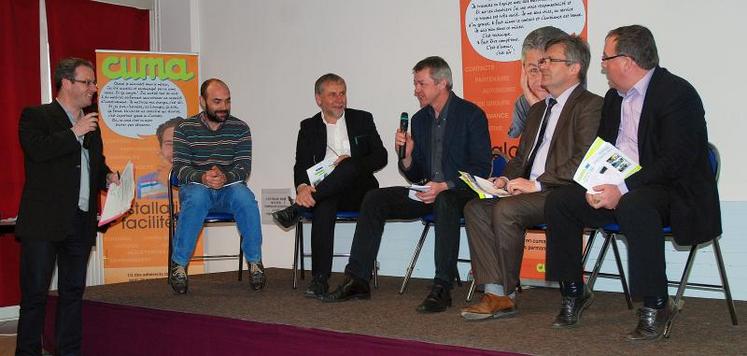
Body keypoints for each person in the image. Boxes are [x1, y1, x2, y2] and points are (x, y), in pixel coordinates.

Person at [544, 25, 721, 340]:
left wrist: (621, 189)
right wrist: (593, 183)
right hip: (622, 189)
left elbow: (674, 161)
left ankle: (656, 303)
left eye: (606, 58)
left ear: (626, 60)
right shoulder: (614, 97)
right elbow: (604, 147)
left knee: (635, 205)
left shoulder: (677, 94)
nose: (602, 65)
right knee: (561, 201)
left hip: (672, 191)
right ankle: (574, 290)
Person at [322, 56, 492, 313]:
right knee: (375, 198)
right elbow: (416, 175)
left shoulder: (471, 115)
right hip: (428, 191)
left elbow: (481, 169)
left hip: (460, 193)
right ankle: (357, 278)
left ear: (442, 83)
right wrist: (409, 156)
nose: (416, 90)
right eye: (415, 84)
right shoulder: (420, 119)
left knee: (445, 201)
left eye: (421, 84)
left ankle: (442, 287)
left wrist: (444, 185)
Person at [461, 35, 602, 321]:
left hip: (559, 192)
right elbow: (521, 159)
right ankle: (494, 291)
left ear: (574, 68)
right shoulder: (538, 110)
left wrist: (537, 184)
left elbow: (585, 160)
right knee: (475, 208)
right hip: (527, 190)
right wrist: (503, 180)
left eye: (550, 60)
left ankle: (507, 295)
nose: (543, 66)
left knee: (506, 210)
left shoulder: (590, 105)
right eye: (541, 61)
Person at [15, 57, 120, 355]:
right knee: (35, 296)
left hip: (80, 220)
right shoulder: (36, 116)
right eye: (87, 82)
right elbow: (38, 152)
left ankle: (69, 352)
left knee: (72, 293)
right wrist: (74, 133)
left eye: (94, 82)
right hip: (44, 222)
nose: (94, 88)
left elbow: (92, 165)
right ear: (66, 83)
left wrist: (109, 177)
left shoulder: (92, 123)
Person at [271, 73, 387, 298]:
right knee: (324, 203)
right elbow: (301, 164)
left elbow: (381, 157)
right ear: (318, 99)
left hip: (360, 191)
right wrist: (303, 187)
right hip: (325, 192)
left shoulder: (362, 119)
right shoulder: (308, 126)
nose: (339, 99)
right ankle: (320, 279)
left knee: (348, 165)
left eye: (342, 93)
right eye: (332, 94)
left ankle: (297, 209)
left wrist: (352, 163)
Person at [169, 78, 265, 294]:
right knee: (198, 197)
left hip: (227, 188)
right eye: (217, 101)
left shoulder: (240, 128)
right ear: (202, 101)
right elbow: (180, 169)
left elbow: (243, 168)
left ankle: (255, 262)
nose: (224, 107)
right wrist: (203, 177)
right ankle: (179, 265)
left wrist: (224, 177)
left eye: (228, 101)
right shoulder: (185, 128)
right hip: (196, 188)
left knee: (245, 198)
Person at [507, 26, 568, 138]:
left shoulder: (587, 108)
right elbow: (513, 141)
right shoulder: (523, 103)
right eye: (534, 70)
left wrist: (539, 111)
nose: (541, 81)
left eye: (547, 69)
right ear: (524, 71)